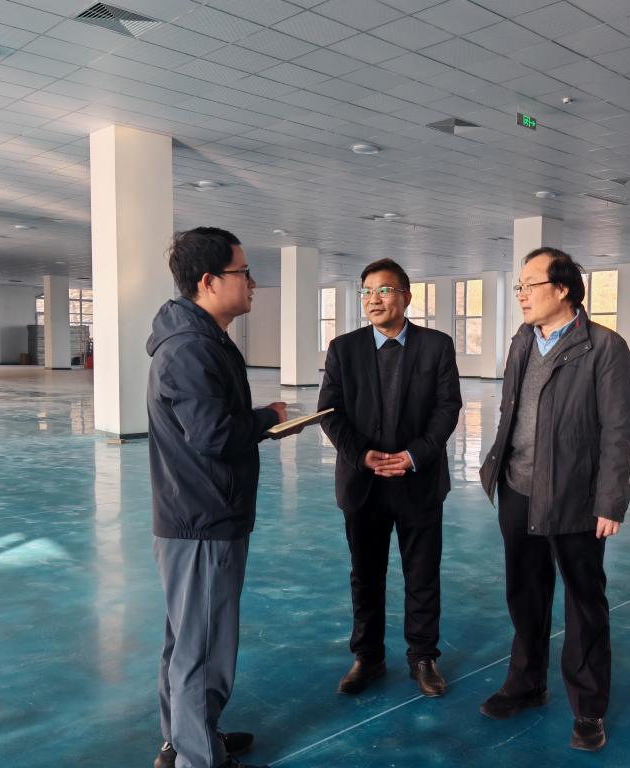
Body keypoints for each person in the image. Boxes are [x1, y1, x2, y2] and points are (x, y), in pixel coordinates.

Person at [478, 247, 630, 751]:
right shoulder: (522, 340)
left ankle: (588, 708)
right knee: (525, 593)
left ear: (562, 289)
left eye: (530, 285)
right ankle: (526, 683)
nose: (521, 295)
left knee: (584, 602)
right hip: (518, 487)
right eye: (519, 286)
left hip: (575, 496)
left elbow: (618, 430)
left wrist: (610, 500)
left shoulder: (604, 347)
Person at [147, 227, 294, 768]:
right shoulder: (191, 348)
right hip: (204, 517)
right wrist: (266, 420)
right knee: (203, 646)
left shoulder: (200, 338)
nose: (252, 283)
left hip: (195, 512)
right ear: (209, 282)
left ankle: (187, 739)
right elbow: (212, 435)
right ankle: (199, 757)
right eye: (244, 272)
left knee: (188, 639)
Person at [317, 258, 461, 697]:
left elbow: (447, 408)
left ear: (406, 297)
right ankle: (368, 656)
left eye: (384, 290)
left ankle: (423, 657)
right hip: (364, 484)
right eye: (366, 291)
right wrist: (361, 455)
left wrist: (414, 455)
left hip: (419, 480)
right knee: (365, 575)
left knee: (422, 574)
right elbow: (330, 413)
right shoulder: (343, 349)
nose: (373, 299)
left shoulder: (436, 346)